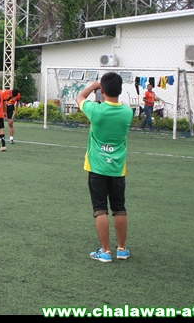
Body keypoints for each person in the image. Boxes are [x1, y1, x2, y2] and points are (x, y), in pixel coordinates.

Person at [75, 72, 134, 263]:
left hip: (97, 167)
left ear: (103, 90)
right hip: (117, 168)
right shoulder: (127, 113)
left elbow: (79, 97)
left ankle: (106, 251)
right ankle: (122, 249)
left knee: (100, 209)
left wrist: (92, 87)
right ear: (120, 90)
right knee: (119, 208)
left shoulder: (96, 110)